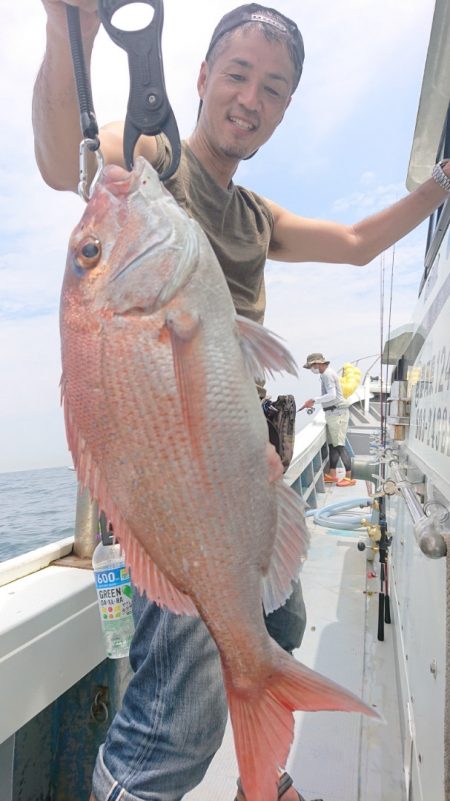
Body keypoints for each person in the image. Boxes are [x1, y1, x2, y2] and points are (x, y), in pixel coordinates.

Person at [31, 3, 450, 801]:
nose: (251, 99)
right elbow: (64, 161)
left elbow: (359, 244)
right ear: (200, 77)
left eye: (274, 88)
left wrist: (440, 185)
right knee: (174, 718)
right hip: (181, 480)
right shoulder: (153, 164)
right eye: (237, 75)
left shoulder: (258, 217)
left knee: (278, 625)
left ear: (286, 107)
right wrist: (70, 32)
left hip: (244, 468)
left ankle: (264, 762)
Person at [301, 353, 356, 487]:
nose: (311, 370)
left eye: (311, 367)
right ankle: (332, 475)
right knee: (333, 446)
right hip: (332, 413)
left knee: (339, 446)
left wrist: (313, 400)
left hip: (337, 414)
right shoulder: (325, 374)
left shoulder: (327, 375)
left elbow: (331, 395)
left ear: (317, 364)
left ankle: (349, 478)